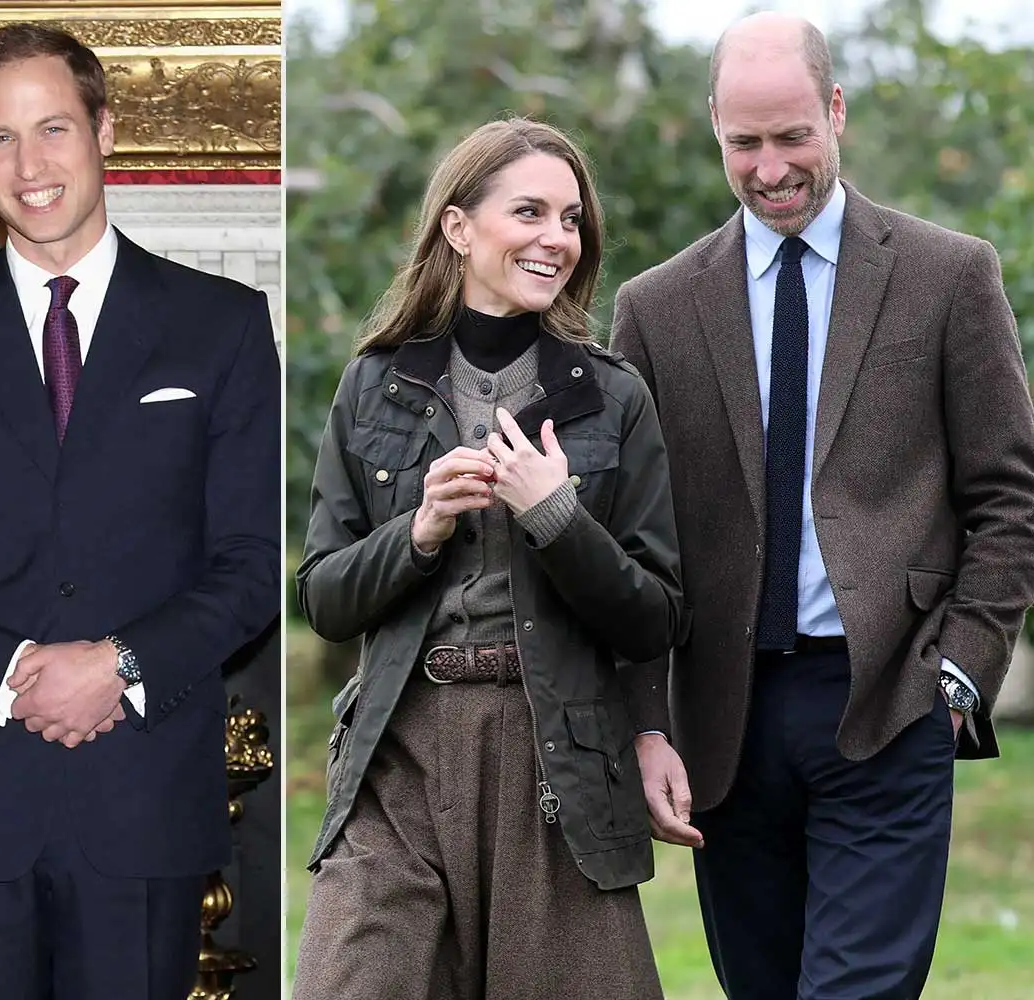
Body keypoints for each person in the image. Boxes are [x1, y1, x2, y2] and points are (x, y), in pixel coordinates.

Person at [0, 23, 280, 1000]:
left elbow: (253, 566)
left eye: (53, 129)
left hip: (143, 803)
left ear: (104, 130)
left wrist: (117, 666)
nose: (29, 166)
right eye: (1, 137)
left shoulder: (225, 325)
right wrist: (4, 673)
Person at [610, 13, 1034, 999]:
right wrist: (647, 723)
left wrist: (959, 677)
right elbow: (630, 539)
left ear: (836, 111)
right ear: (715, 129)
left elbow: (1010, 495)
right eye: (745, 142)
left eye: (793, 135)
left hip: (890, 701)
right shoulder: (655, 308)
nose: (771, 168)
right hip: (725, 720)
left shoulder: (948, 275)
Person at [291, 118, 683, 1000]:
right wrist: (420, 530)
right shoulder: (374, 384)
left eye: (571, 219)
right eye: (529, 212)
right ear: (459, 228)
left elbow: (655, 616)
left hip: (556, 758)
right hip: (398, 751)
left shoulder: (613, 397)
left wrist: (557, 516)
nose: (556, 238)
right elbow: (323, 597)